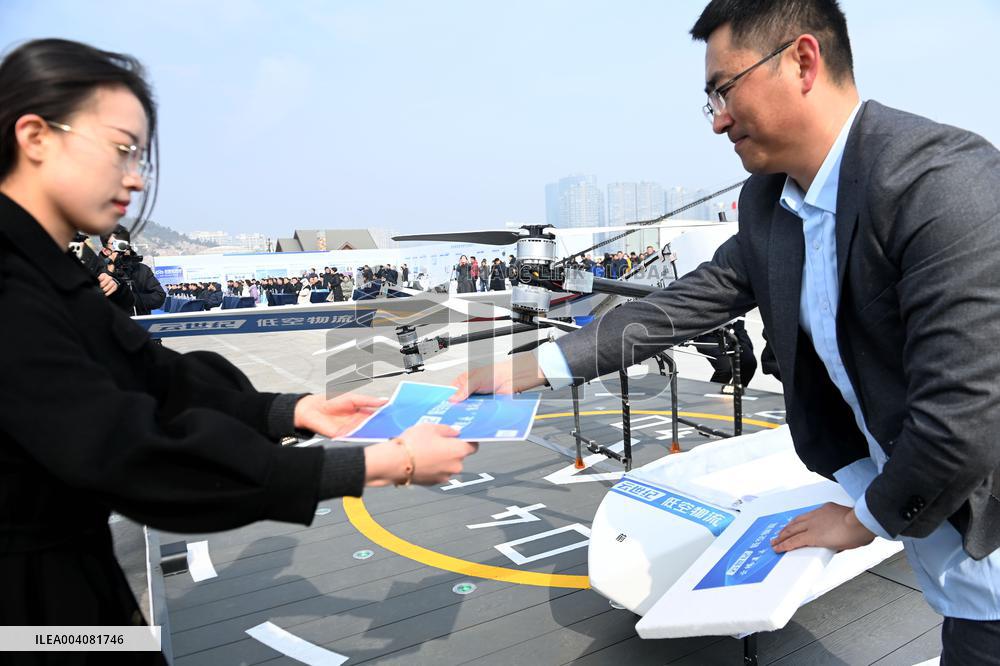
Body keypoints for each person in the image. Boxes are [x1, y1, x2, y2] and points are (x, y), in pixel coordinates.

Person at [451, 1, 1000, 661]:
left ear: (803, 60)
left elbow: (965, 414)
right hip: (940, 542)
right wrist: (537, 365)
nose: (716, 120)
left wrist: (863, 521)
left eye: (724, 88)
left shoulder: (944, 183)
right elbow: (683, 304)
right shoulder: (773, 204)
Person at [0, 38, 478, 657]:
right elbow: (130, 452)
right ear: (35, 136)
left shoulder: (46, 270)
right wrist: (379, 465)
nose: (136, 178)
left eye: (139, 156)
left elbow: (154, 374)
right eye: (120, 149)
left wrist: (290, 410)